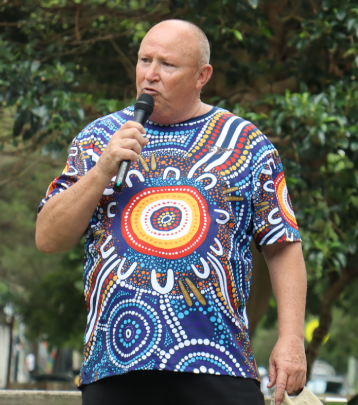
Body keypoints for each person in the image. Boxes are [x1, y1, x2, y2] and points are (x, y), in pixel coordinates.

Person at [35, 19, 307, 405]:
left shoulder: (245, 144)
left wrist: (292, 338)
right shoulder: (98, 139)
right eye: (145, 60)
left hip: (219, 365)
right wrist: (101, 170)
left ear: (202, 75)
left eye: (167, 65)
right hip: (116, 365)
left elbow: (283, 244)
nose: (151, 75)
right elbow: (48, 237)